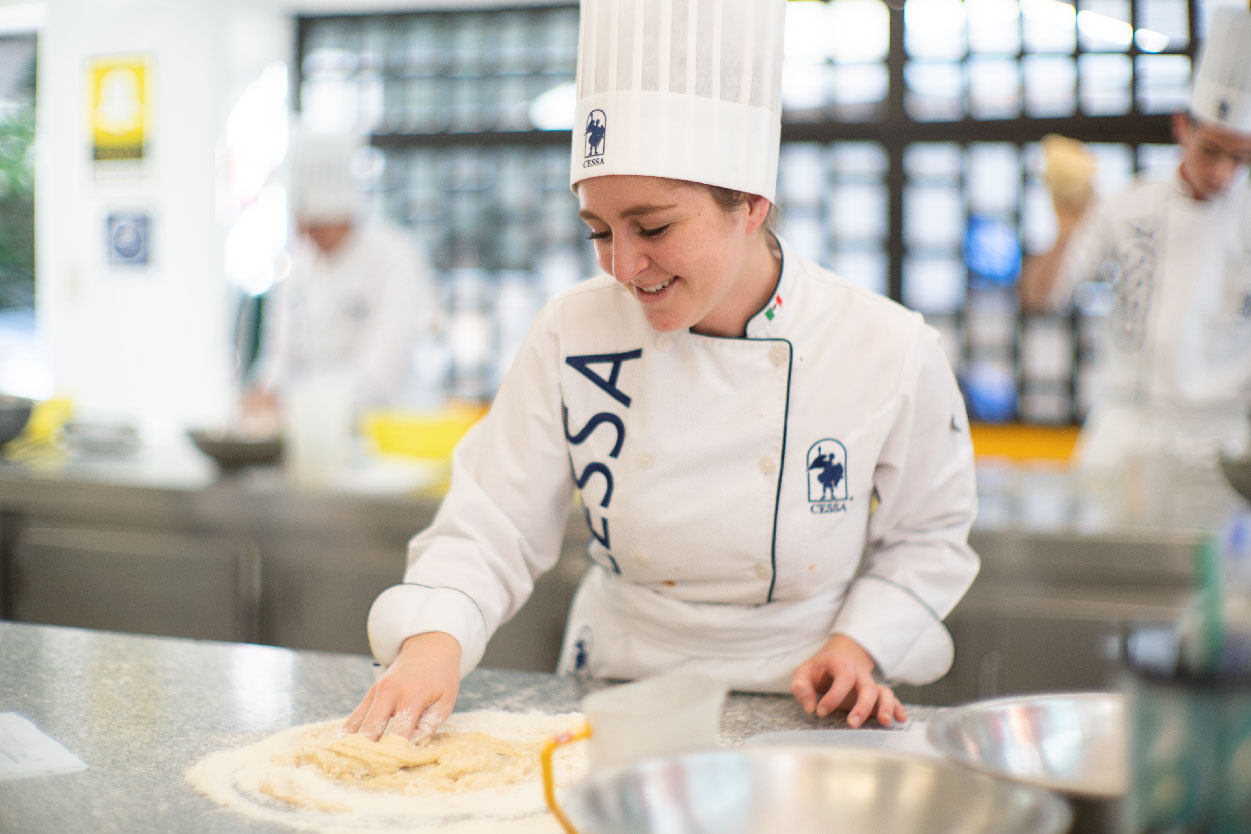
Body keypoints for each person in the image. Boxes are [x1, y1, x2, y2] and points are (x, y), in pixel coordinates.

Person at [346, 0, 979, 744]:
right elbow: (493, 519)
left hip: (809, 694)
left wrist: (860, 641)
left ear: (748, 203)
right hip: (619, 689)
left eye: (652, 228)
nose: (622, 265)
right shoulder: (570, 330)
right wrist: (434, 637)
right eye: (598, 232)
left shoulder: (884, 344)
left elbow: (929, 532)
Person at [1019, 9, 1251, 475]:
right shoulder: (1126, 206)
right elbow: (1039, 297)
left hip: (1223, 444)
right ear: (1182, 127)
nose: (1222, 172)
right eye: (1211, 151)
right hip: (1125, 434)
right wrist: (1067, 227)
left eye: (1241, 157)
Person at [245, 127, 439, 419]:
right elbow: (279, 357)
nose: (309, 234)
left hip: (383, 432)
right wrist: (265, 391)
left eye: (318, 224)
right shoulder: (299, 264)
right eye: (304, 223)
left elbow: (381, 371)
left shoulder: (394, 257)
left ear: (344, 210)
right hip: (310, 430)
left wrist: (302, 403)